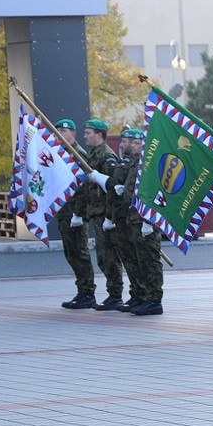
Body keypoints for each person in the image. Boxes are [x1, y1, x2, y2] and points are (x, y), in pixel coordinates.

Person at [104, 128, 164, 316]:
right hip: (132, 219)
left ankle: (154, 300)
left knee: (150, 260)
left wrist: (149, 221)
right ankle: (141, 295)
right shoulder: (135, 164)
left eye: (138, 143)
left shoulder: (150, 165)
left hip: (145, 221)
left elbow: (155, 193)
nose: (134, 146)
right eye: (135, 143)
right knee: (138, 260)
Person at [53, 119, 96, 310]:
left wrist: (79, 214)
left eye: (63, 130)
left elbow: (84, 187)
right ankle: (82, 291)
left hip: (75, 213)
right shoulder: (59, 153)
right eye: (57, 131)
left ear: (73, 134)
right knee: (71, 253)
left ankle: (88, 292)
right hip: (64, 212)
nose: (59, 134)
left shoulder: (78, 155)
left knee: (79, 252)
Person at [81, 119, 124, 311]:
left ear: (99, 135)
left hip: (105, 214)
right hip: (96, 213)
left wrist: (109, 216)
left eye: (88, 133)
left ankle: (115, 295)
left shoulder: (107, 157)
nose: (85, 136)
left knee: (109, 257)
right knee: (102, 257)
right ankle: (112, 293)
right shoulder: (93, 155)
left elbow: (112, 190)